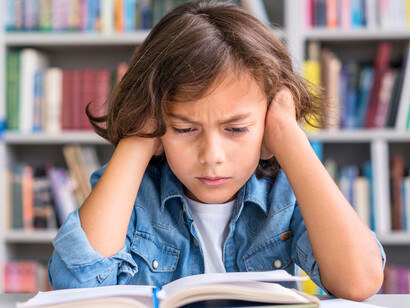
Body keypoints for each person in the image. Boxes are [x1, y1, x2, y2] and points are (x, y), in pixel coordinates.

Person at [48, 0, 385, 301]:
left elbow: (360, 282)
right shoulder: (131, 189)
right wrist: (138, 137)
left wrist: (287, 131)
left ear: (266, 126)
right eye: (184, 128)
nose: (212, 155)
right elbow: (76, 288)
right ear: (157, 125)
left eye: (236, 129)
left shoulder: (283, 192)